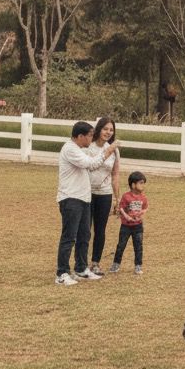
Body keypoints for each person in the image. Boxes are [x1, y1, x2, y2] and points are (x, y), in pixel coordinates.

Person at [55, 121, 119, 286]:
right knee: (69, 237)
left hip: (84, 198)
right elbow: (91, 164)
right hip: (71, 198)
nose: (92, 137)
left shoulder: (79, 149)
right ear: (80, 136)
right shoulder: (70, 149)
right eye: (90, 135)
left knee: (84, 235)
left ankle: (81, 269)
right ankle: (62, 273)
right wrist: (108, 150)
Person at [86, 117, 121, 276]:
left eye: (111, 130)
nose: (108, 132)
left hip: (105, 194)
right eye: (105, 129)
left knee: (100, 230)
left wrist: (116, 197)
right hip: (86, 192)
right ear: (99, 129)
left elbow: (115, 174)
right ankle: (81, 262)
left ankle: (95, 263)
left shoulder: (114, 150)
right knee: (84, 229)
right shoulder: (88, 147)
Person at [111, 171, 149, 274]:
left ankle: (138, 266)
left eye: (143, 183)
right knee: (121, 245)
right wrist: (127, 217)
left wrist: (141, 213)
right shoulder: (126, 196)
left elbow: (145, 207)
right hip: (126, 227)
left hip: (138, 226)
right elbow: (121, 208)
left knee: (138, 246)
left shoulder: (143, 197)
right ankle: (116, 264)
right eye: (140, 183)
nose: (143, 185)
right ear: (133, 185)